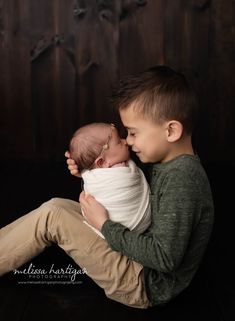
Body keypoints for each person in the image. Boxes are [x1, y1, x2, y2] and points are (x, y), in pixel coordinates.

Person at [0, 65, 214, 309]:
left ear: (171, 130)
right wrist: (93, 172)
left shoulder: (183, 180)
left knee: (54, 218)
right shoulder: (170, 162)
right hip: (134, 248)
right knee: (56, 206)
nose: (129, 141)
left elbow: (164, 258)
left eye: (133, 132)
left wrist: (104, 225)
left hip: (142, 282)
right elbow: (126, 193)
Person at [69, 122, 151, 238]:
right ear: (102, 162)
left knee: (52, 212)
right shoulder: (120, 171)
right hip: (130, 226)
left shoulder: (95, 173)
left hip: (117, 233)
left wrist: (84, 174)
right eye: (119, 142)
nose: (125, 141)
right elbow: (102, 192)